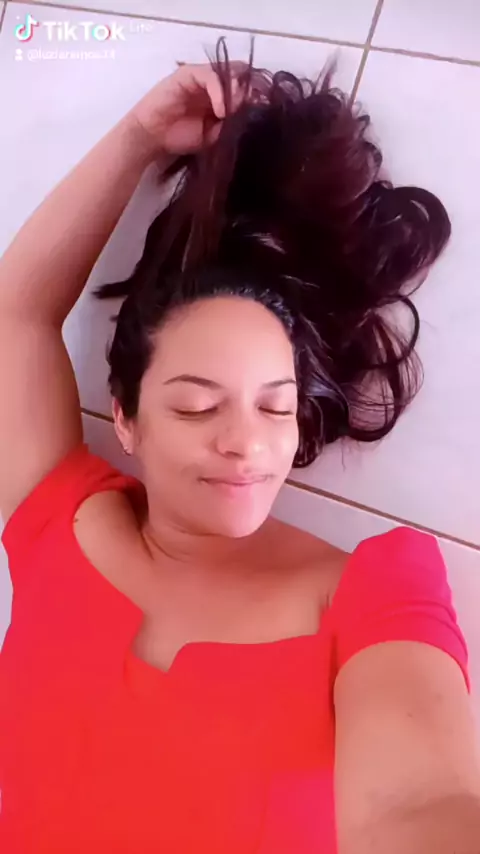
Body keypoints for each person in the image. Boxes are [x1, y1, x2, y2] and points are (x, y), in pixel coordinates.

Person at [0, 45, 479, 854]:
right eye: (196, 406)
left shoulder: (372, 595)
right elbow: (16, 316)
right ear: (126, 419)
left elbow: (422, 803)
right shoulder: (57, 514)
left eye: (276, 406)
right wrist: (139, 137)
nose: (246, 442)